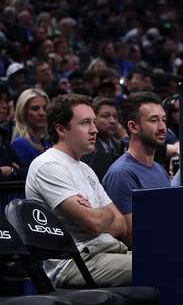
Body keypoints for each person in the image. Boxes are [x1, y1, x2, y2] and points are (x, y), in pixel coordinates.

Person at [24, 94, 131, 287]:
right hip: (75, 263)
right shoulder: (48, 165)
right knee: (160, 265)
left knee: (169, 258)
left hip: (108, 253)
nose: (94, 130)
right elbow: (93, 223)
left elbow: (121, 224)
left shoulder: (85, 168)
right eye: (85, 123)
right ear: (61, 129)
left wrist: (96, 213)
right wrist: (102, 213)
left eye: (93, 122)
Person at [102, 92, 171, 228]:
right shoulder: (121, 174)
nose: (162, 127)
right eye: (154, 120)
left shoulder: (159, 169)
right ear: (133, 127)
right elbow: (132, 236)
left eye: (163, 119)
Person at [83, 96, 125, 180]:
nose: (112, 121)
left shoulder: (120, 145)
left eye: (115, 116)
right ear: (93, 119)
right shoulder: (86, 146)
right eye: (106, 116)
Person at [11, 88, 50, 168]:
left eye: (45, 108)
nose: (42, 113)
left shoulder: (47, 141)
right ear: (23, 112)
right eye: (35, 109)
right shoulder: (20, 143)